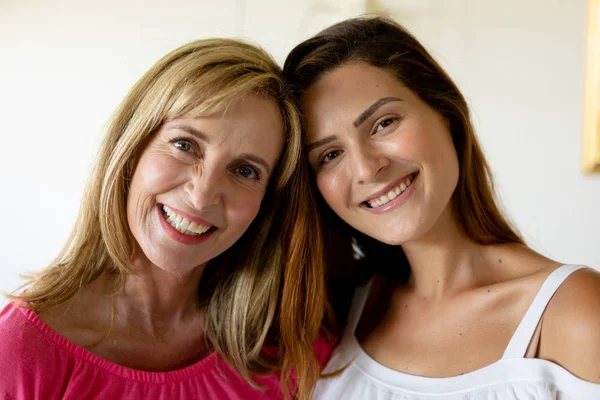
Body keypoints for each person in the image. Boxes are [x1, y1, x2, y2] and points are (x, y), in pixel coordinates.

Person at [284, 16, 600, 399]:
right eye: (330, 154)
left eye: (384, 123)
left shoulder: (575, 312)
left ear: (446, 114)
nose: (367, 169)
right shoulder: (336, 310)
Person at [0, 38, 331, 400]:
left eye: (244, 170)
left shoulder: (284, 350)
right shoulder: (21, 347)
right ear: (132, 147)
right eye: (185, 145)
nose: (202, 194)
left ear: (266, 204)